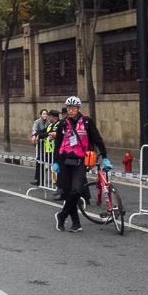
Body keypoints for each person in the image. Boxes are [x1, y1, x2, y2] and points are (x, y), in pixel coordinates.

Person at [50, 97, 110, 233]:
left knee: (76, 190)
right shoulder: (63, 123)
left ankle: (62, 215)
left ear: (78, 109)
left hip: (80, 162)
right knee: (67, 193)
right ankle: (76, 223)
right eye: (68, 108)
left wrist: (105, 156)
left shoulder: (87, 122)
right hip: (64, 162)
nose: (70, 111)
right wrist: (55, 162)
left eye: (73, 108)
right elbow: (58, 143)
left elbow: (97, 139)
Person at [29, 108, 50, 185]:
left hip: (48, 143)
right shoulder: (37, 122)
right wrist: (34, 136)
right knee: (39, 159)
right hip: (40, 143)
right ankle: (39, 178)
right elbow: (34, 130)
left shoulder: (49, 122)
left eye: (46, 114)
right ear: (41, 114)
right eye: (43, 114)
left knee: (45, 160)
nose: (45, 115)